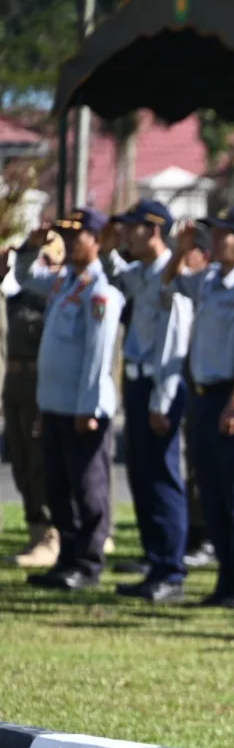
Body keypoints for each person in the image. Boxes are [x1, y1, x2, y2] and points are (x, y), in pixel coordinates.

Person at [3, 210, 123, 590]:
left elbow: (97, 357)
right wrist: (31, 245)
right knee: (58, 488)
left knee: (87, 490)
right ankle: (66, 560)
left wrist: (87, 408)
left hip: (81, 409)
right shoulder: (64, 283)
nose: (70, 244)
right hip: (54, 406)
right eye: (65, 238)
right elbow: (21, 277)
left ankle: (88, 563)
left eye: (78, 237)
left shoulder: (99, 292)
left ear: (97, 240)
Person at [165, 207, 234, 608]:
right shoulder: (212, 279)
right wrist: (180, 250)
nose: (212, 240)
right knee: (211, 491)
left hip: (232, 395)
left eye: (222, 233)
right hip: (205, 393)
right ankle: (226, 581)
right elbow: (171, 282)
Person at [104, 200, 193, 602]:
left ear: (154, 230)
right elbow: (112, 277)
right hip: (138, 384)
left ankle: (171, 570)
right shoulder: (141, 272)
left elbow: (173, 341)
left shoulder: (172, 277)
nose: (127, 235)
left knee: (162, 477)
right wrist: (107, 246)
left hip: (161, 386)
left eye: (133, 228)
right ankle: (156, 560)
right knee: (141, 475)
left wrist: (162, 398)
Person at [4, 233, 60, 569]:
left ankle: (50, 535)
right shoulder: (18, 295)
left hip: (41, 381)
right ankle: (34, 531)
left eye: (48, 260)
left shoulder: (55, 295)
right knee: (21, 459)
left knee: (40, 460)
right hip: (14, 381)